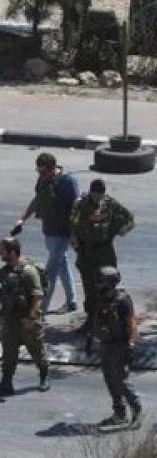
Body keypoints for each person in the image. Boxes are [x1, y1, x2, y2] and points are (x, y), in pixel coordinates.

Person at [12, 153, 80, 316]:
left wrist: (74, 235)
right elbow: (37, 200)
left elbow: (76, 211)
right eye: (39, 172)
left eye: (43, 172)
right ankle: (72, 301)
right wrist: (22, 219)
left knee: (50, 272)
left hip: (63, 233)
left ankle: (40, 309)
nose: (40, 175)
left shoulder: (67, 182)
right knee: (62, 265)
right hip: (49, 230)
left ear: (53, 167)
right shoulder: (43, 180)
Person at [70, 179, 134, 336]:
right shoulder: (81, 204)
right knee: (89, 288)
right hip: (88, 251)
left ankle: (108, 321)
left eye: (101, 195)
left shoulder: (110, 204)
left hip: (105, 250)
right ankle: (90, 320)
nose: (98, 198)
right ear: (91, 192)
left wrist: (120, 231)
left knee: (108, 286)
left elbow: (129, 219)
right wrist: (76, 243)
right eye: (95, 194)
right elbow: (72, 224)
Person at [92, 266, 141, 427]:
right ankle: (119, 413)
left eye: (101, 281)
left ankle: (136, 409)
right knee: (110, 380)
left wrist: (130, 345)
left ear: (109, 283)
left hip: (119, 345)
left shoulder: (123, 301)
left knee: (122, 381)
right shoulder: (101, 297)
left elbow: (132, 324)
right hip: (105, 344)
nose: (98, 284)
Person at [0, 238, 49, 395]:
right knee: (8, 352)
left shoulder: (28, 271)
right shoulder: (4, 272)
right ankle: (6, 382)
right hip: (10, 320)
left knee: (36, 350)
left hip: (28, 319)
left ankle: (44, 375)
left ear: (12, 252)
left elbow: (37, 296)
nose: (1, 254)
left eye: (3, 251)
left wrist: (31, 318)